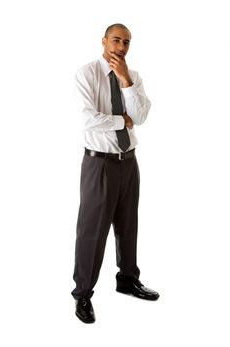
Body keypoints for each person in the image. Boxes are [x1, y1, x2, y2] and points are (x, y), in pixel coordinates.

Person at [71, 23, 160, 324]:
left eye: (126, 43)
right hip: (100, 164)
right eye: (116, 40)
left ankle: (127, 279)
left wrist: (124, 80)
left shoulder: (132, 78)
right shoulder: (86, 74)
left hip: (128, 161)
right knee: (92, 231)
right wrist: (122, 121)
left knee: (127, 224)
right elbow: (87, 119)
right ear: (104, 41)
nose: (121, 47)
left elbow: (142, 116)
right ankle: (83, 292)